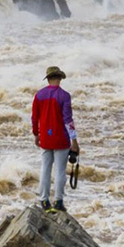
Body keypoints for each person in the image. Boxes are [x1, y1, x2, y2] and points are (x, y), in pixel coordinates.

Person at [31, 66, 80, 213]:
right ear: (59, 78)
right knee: (59, 171)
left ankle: (44, 201)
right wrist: (74, 141)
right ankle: (58, 201)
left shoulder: (39, 95)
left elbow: (35, 118)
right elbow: (68, 120)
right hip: (61, 139)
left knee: (45, 169)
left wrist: (36, 134)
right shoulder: (65, 96)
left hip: (46, 137)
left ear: (48, 79)